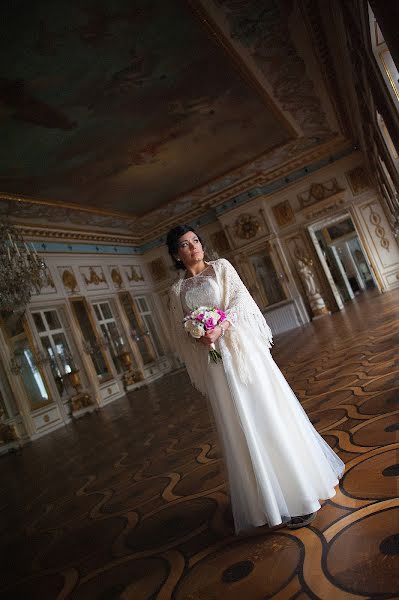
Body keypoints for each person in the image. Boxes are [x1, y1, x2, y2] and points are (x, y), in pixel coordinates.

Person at [167, 225, 344, 534]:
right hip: (215, 362)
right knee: (238, 425)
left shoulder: (221, 268)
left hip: (241, 352)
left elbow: (239, 301)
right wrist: (197, 335)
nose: (194, 247)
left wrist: (220, 326)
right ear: (176, 254)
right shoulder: (177, 290)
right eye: (185, 245)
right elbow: (179, 330)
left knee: (265, 415)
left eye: (196, 240)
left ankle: (300, 493)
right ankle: (266, 502)